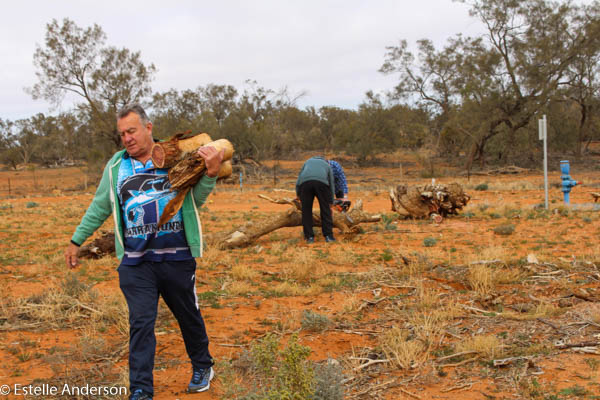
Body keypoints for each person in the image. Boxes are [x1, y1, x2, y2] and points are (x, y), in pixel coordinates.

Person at [64, 104, 223, 400]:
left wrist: (210, 174)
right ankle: (140, 390)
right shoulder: (116, 166)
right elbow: (101, 205)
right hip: (136, 263)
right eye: (122, 133)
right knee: (140, 324)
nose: (127, 138)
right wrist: (77, 240)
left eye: (132, 131)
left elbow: (194, 202)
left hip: (176, 258)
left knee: (188, 315)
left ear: (148, 128)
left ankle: (203, 365)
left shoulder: (175, 155)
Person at [296, 156, 336, 243]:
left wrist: (298, 194)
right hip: (321, 184)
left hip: (305, 184)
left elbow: (299, 179)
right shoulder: (327, 165)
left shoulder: (307, 162)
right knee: (325, 209)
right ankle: (328, 236)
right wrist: (331, 202)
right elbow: (331, 184)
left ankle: (309, 237)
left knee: (306, 211)